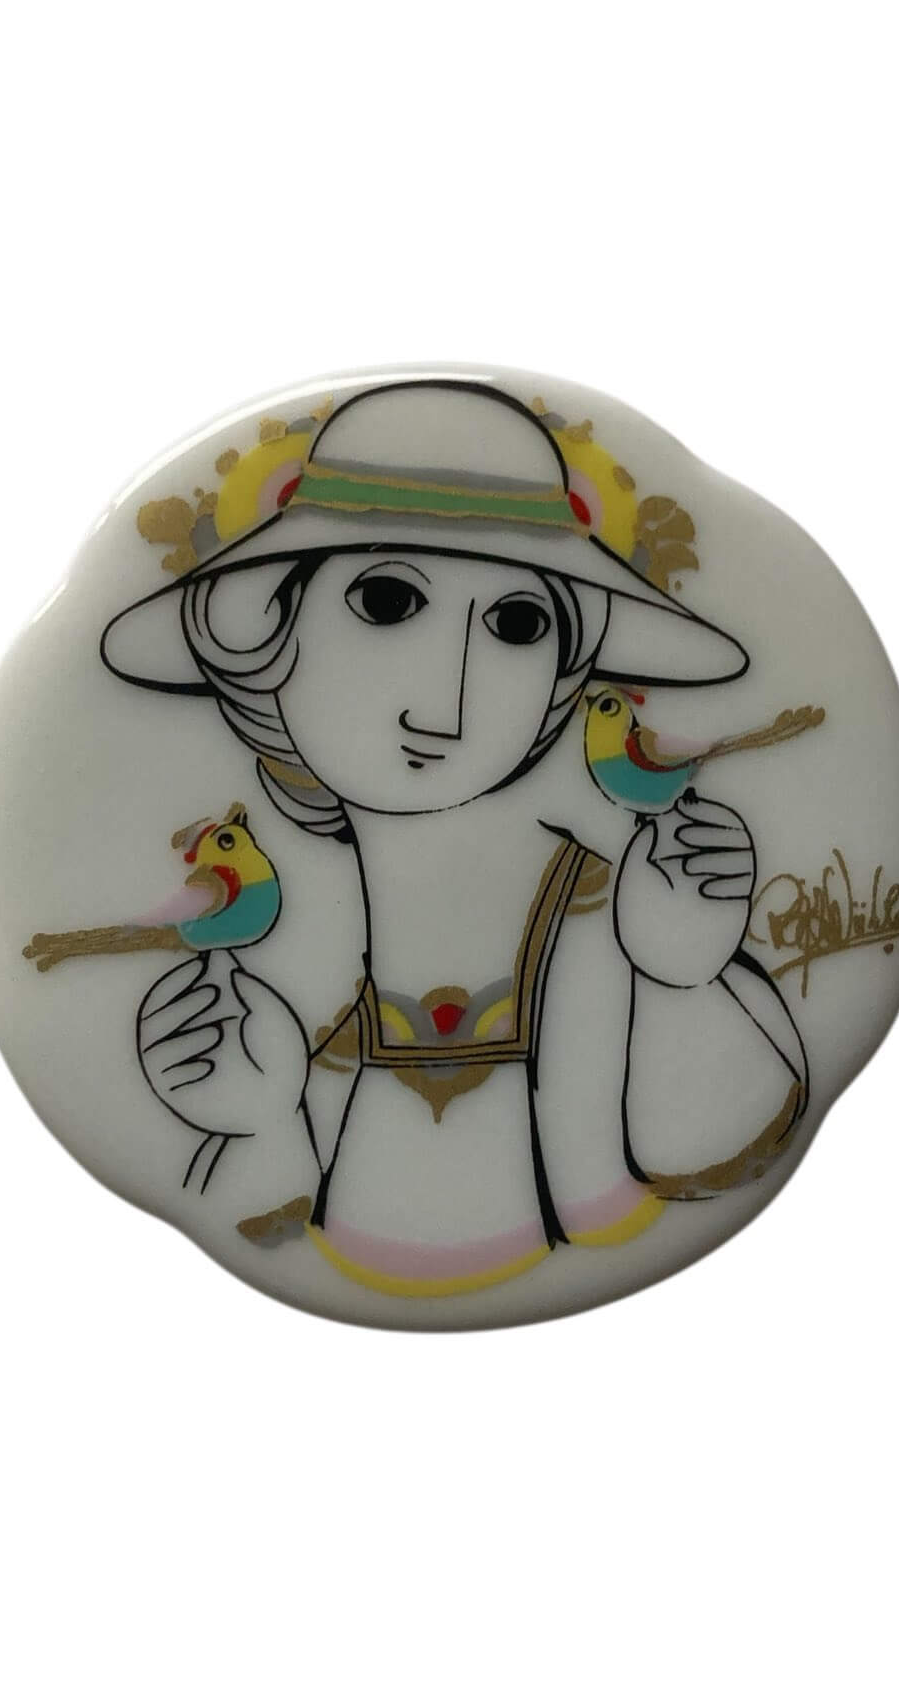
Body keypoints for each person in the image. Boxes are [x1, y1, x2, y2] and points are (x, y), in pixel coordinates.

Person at [100, 380, 807, 1299]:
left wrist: (684, 972)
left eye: (518, 624)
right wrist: (253, 1115)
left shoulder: (612, 906)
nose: (449, 702)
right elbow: (280, 1227)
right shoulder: (302, 971)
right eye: (387, 601)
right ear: (267, 636)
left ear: (563, 675)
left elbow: (708, 1154)